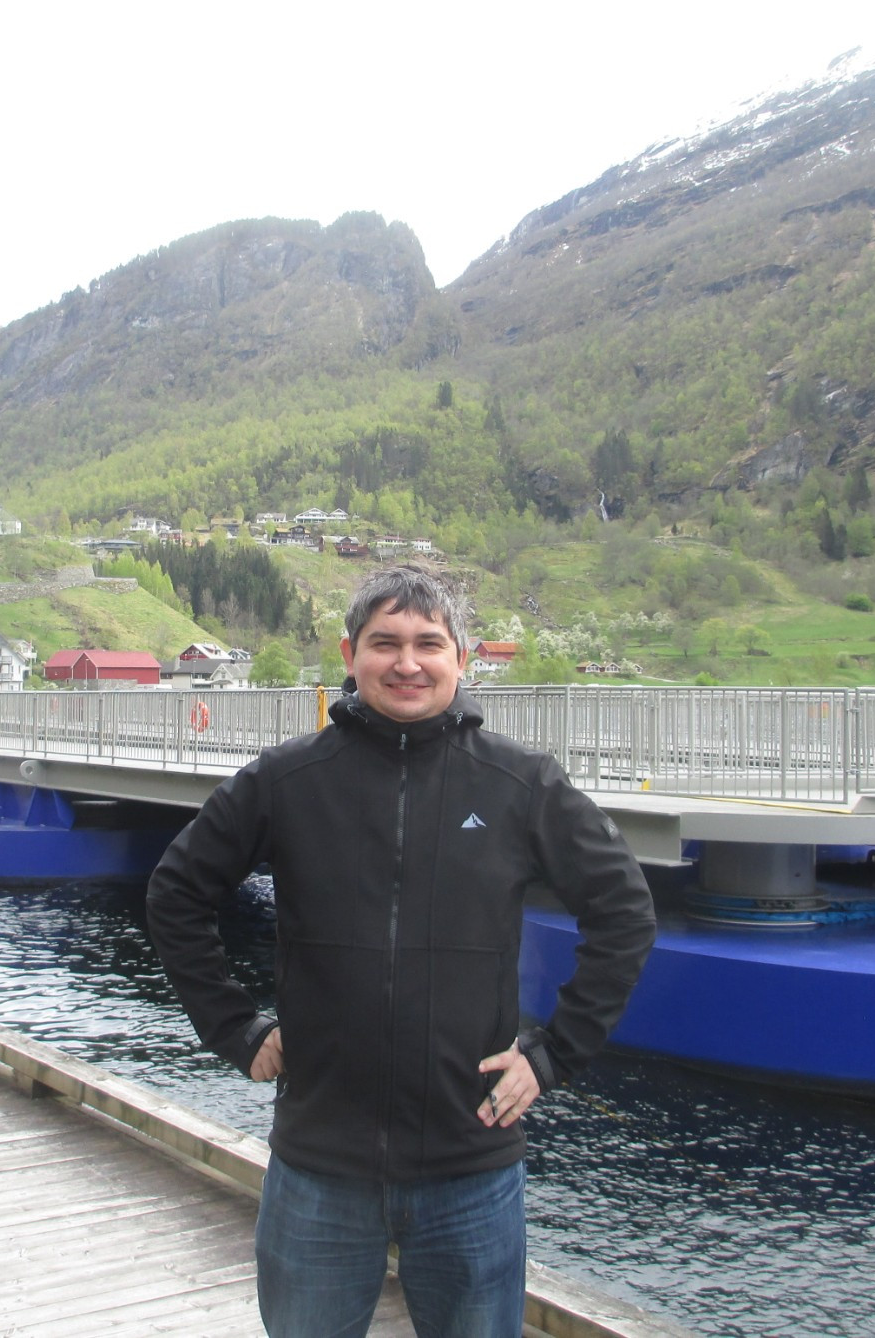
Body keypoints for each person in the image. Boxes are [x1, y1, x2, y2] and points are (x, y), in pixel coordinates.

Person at [147, 566, 657, 1338]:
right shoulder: (287, 780)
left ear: (462, 659)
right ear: (350, 654)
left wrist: (553, 1057)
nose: (407, 663)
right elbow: (176, 892)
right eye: (384, 643)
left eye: (429, 644)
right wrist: (233, 1028)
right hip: (319, 1160)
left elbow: (623, 912)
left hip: (470, 1157)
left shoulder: (521, 783)